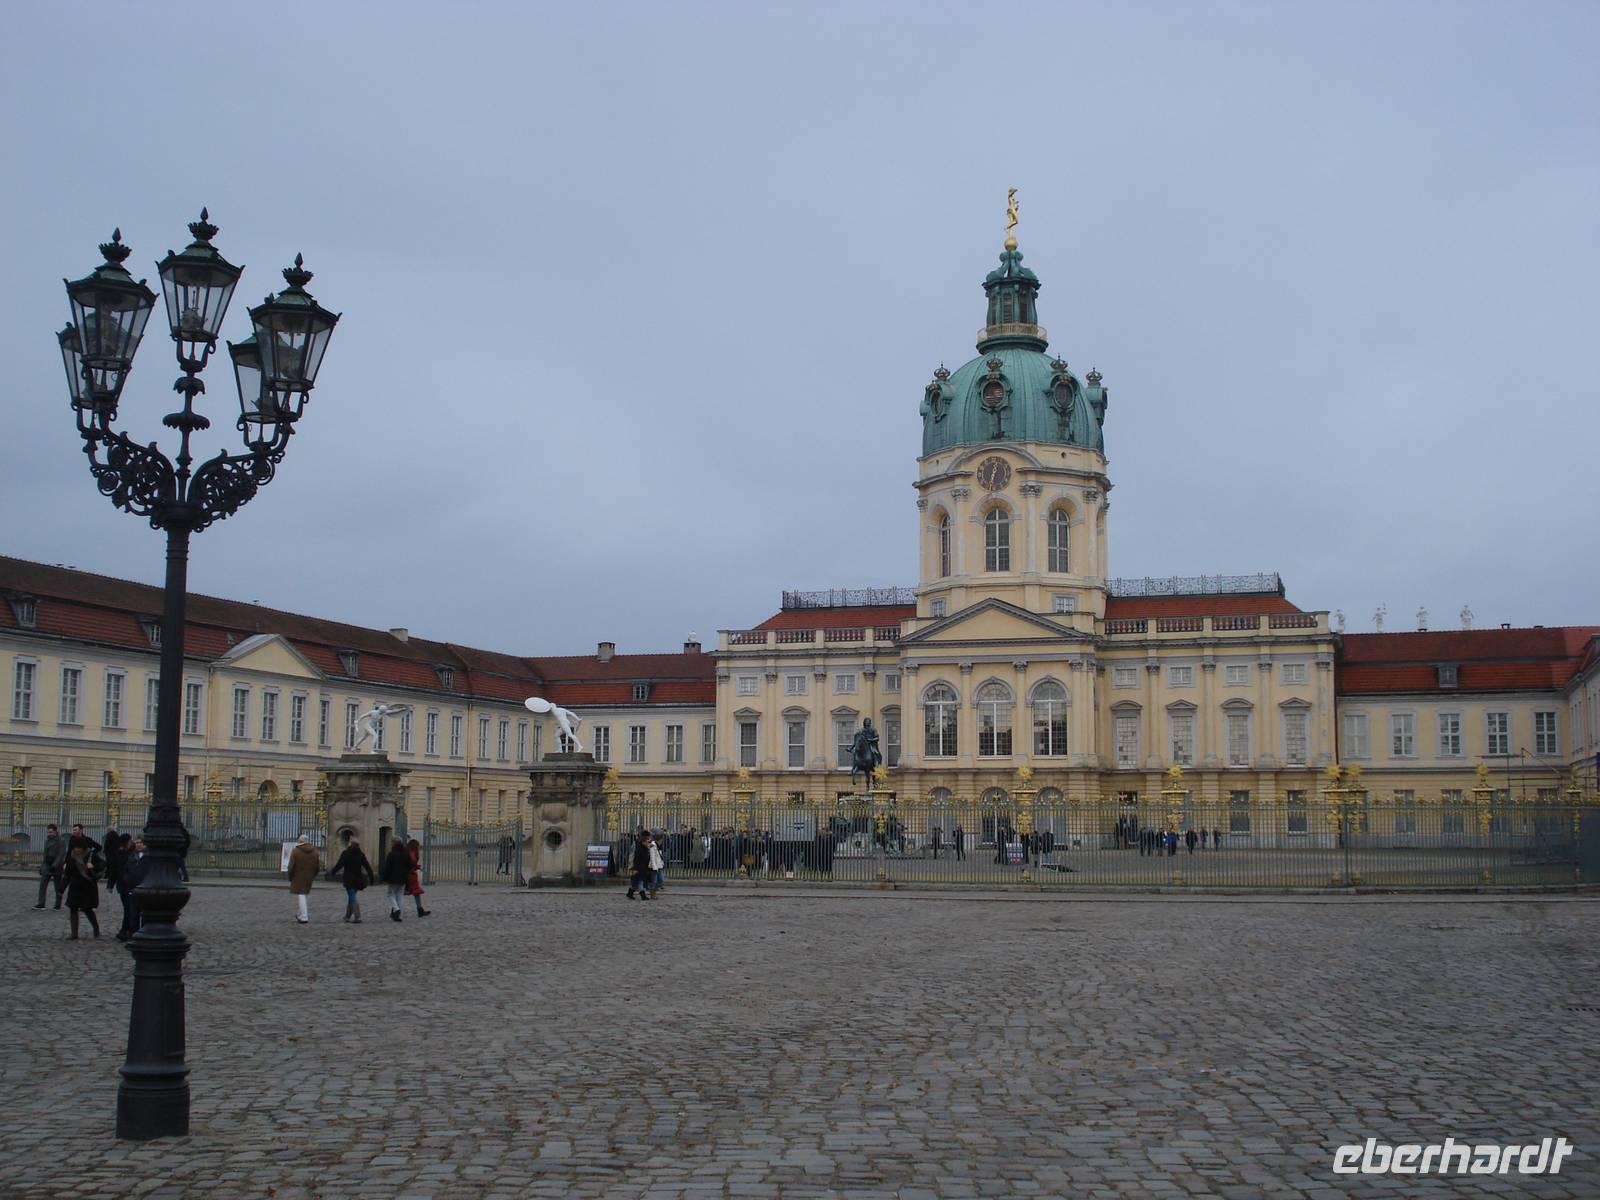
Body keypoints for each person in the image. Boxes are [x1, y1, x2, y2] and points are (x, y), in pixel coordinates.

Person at [330, 835, 375, 923]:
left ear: (350, 844)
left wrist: (333, 872)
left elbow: (340, 864)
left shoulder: (346, 853)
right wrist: (371, 876)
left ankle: (357, 916)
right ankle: (347, 916)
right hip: (358, 878)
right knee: (351, 896)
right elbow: (367, 866)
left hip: (349, 878)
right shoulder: (361, 854)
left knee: (352, 897)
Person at [63, 843, 101, 939]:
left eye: (78, 847)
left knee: (87, 909)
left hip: (87, 886)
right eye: (75, 847)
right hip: (75, 886)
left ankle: (96, 929)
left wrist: (92, 867)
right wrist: (61, 889)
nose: (76, 849)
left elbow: (102, 866)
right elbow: (67, 874)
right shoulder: (71, 857)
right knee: (73, 908)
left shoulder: (91, 855)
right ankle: (74, 933)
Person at [287, 834, 321, 925]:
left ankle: (304, 916)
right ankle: (299, 914)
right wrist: (313, 875)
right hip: (309, 876)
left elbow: (291, 866)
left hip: (298, 876)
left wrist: (290, 876)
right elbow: (317, 866)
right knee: (303, 894)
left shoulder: (296, 851)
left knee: (301, 895)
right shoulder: (315, 852)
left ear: (300, 841)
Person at [117, 835, 144, 940]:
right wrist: (127, 880)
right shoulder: (131, 856)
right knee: (134, 913)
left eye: (140, 842)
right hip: (132, 888)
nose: (138, 844)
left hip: (144, 888)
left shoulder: (148, 856)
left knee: (144, 913)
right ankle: (134, 933)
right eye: (136, 843)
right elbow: (127, 870)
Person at [34, 823, 66, 909]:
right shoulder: (47, 841)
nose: (49, 834)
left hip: (56, 866)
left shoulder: (61, 841)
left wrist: (55, 864)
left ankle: (57, 905)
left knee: (58, 887)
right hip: (47, 865)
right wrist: (42, 867)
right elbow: (45, 855)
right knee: (42, 885)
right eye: (48, 832)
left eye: (51, 832)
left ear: (55, 832)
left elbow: (61, 854)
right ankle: (41, 903)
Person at [381, 836, 412, 922]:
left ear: (393, 843)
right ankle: (399, 915)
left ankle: (396, 908)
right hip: (403, 878)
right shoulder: (405, 853)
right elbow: (410, 866)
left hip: (393, 878)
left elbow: (387, 867)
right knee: (400, 896)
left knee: (390, 894)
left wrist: (384, 877)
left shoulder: (391, 854)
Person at [404, 838, 430, 917]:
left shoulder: (406, 851)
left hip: (407, 874)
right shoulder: (412, 852)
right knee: (416, 892)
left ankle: (395, 909)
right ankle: (419, 910)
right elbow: (412, 862)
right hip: (411, 875)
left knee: (400, 892)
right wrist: (417, 867)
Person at [627, 830, 653, 900]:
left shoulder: (644, 846)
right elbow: (637, 857)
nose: (649, 840)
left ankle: (630, 893)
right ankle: (643, 896)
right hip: (638, 867)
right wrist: (635, 868)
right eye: (648, 838)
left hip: (642, 867)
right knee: (640, 882)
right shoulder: (639, 846)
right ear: (645, 838)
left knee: (636, 883)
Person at [647, 832, 666, 898]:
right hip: (654, 867)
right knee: (654, 881)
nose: (662, 841)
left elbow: (659, 856)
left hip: (659, 866)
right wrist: (654, 867)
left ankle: (653, 892)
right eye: (661, 840)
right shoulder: (653, 845)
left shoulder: (658, 846)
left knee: (661, 880)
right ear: (659, 839)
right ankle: (653, 894)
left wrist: (661, 863)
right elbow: (652, 857)